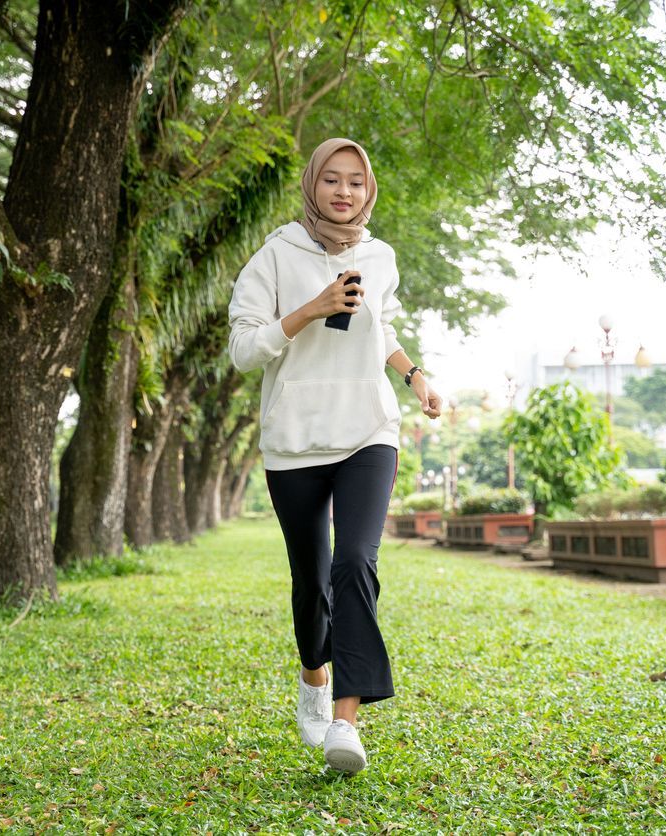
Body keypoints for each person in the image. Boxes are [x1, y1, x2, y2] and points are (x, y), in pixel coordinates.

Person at [227, 137, 443, 773]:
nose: (343, 192)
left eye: (355, 181)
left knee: (354, 561)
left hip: (367, 429)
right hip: (294, 439)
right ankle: (314, 680)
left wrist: (416, 376)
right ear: (312, 185)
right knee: (311, 580)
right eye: (331, 180)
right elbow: (243, 350)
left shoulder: (381, 256)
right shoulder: (274, 255)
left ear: (368, 190)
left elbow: (385, 329)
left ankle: (345, 724)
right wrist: (309, 311)